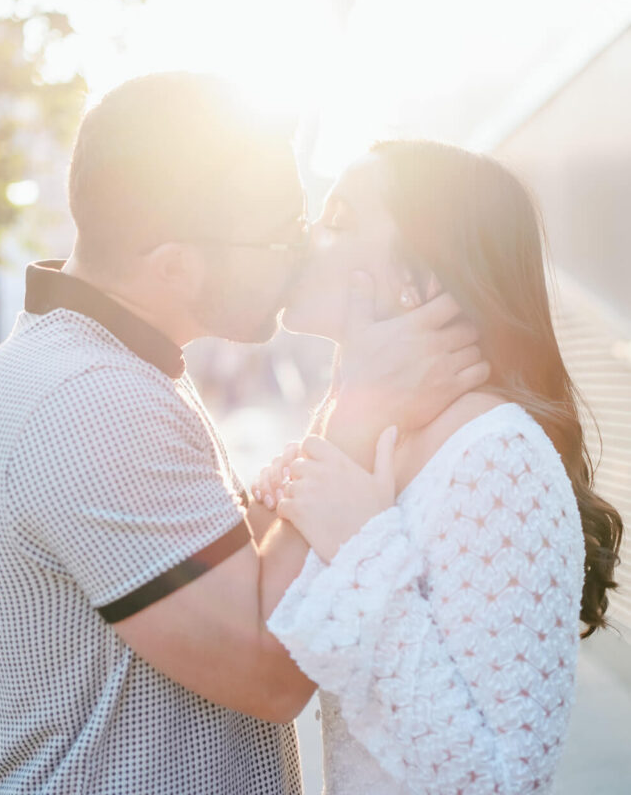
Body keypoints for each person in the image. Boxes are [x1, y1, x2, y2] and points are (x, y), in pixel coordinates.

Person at [0, 76, 488, 795]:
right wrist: (362, 404)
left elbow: (251, 573)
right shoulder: (89, 398)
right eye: (279, 235)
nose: (301, 253)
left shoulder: (105, 365)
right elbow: (266, 668)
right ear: (171, 262)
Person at [254, 140, 623, 795]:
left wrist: (360, 546)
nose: (307, 234)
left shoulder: (497, 457)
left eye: (339, 219)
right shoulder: (388, 435)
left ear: (419, 278)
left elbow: (496, 781)